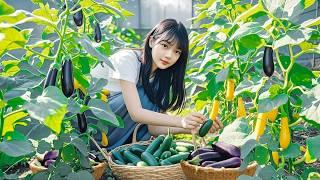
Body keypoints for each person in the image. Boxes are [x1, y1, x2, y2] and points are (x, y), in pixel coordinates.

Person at [90, 19, 223, 150]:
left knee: (150, 96)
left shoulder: (160, 77)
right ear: (152, 41)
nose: (169, 55)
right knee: (145, 95)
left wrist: (193, 127)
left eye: (177, 51)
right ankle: (104, 149)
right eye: (165, 45)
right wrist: (181, 120)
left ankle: (121, 150)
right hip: (92, 124)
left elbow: (153, 127)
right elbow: (136, 113)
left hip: (114, 126)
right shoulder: (127, 59)